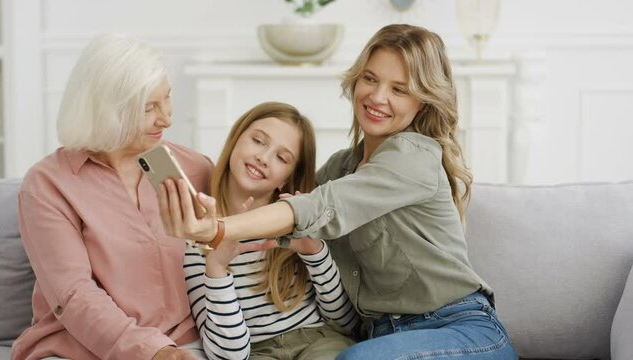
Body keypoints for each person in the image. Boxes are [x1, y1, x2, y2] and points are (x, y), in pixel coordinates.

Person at [158, 24, 518, 359]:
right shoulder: (339, 169)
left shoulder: (415, 156)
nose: (377, 97)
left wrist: (218, 229)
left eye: (399, 89)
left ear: (421, 101)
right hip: (382, 336)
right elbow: (290, 205)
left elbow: (317, 206)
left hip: (457, 327)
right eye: (370, 79)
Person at [11, 34, 213, 360]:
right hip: (76, 348)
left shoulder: (193, 168)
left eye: (167, 99)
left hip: (182, 344)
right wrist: (153, 352)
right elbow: (73, 294)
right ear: (110, 111)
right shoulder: (48, 184)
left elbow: (236, 252)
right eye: (149, 108)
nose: (167, 119)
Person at [182, 102, 358, 360]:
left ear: (287, 177)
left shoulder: (300, 223)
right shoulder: (198, 241)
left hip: (318, 340)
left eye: (281, 157)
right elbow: (229, 356)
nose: (263, 158)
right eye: (258, 141)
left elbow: (346, 323)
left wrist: (314, 251)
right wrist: (217, 269)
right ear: (236, 139)